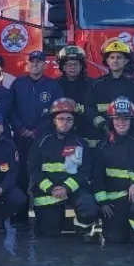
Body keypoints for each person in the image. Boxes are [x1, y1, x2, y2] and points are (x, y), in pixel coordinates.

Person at [92, 97, 134, 253]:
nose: (121, 122)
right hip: (114, 200)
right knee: (114, 239)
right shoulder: (103, 145)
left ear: (132, 120)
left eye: (125, 118)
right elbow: (97, 176)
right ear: (111, 120)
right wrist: (103, 202)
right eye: (117, 118)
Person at [29, 97, 98, 239]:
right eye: (61, 118)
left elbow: (85, 170)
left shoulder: (80, 142)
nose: (65, 123)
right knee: (48, 234)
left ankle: (82, 232)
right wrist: (51, 188)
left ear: (74, 121)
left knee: (88, 206)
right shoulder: (42, 140)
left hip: (73, 189)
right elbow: (33, 169)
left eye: (69, 119)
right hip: (48, 191)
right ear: (54, 120)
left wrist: (66, 188)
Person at [9, 50, 63, 224]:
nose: (35, 65)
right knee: (20, 176)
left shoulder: (53, 86)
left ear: (44, 65)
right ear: (27, 64)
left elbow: (57, 112)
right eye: (32, 62)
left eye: (39, 62)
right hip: (20, 138)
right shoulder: (18, 84)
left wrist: (38, 131)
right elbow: (11, 109)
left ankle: (43, 214)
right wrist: (20, 128)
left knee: (42, 174)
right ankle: (19, 217)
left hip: (43, 139)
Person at [88, 38, 134, 140]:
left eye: (119, 57)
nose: (115, 60)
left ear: (126, 61)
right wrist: (103, 125)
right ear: (107, 61)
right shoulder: (96, 84)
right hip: (102, 134)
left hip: (130, 134)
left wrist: (131, 126)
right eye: (112, 57)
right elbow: (89, 107)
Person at [56, 46, 96, 146]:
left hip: (87, 131)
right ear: (63, 67)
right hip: (63, 131)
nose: (72, 67)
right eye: (69, 64)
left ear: (82, 66)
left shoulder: (93, 85)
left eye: (75, 64)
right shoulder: (55, 86)